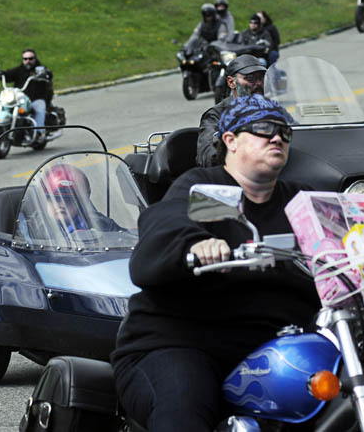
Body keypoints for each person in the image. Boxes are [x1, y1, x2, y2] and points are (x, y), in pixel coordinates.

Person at [111, 94, 318, 432]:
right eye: (264, 129)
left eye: (284, 131)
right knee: (183, 403)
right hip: (184, 341)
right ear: (230, 140)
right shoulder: (209, 192)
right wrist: (194, 243)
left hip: (276, 348)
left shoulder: (301, 202)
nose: (277, 137)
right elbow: (167, 222)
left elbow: (347, 237)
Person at [17, 164, 124, 241]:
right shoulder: (32, 228)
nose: (61, 205)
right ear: (45, 200)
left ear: (81, 203)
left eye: (68, 200)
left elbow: (124, 238)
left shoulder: (98, 222)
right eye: (56, 199)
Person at [196, 55, 266, 168]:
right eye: (250, 79)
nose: (258, 83)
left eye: (261, 78)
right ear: (231, 82)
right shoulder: (216, 115)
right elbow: (207, 157)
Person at [0, 49, 53, 143]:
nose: (28, 61)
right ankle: (2, 128)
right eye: (25, 59)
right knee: (4, 106)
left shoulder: (40, 69)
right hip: (20, 99)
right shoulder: (19, 69)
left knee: (39, 109)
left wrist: (45, 74)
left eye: (30, 58)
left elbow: (49, 74)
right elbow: (8, 74)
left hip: (36, 98)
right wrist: (0, 73)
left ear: (35, 59)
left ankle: (39, 132)